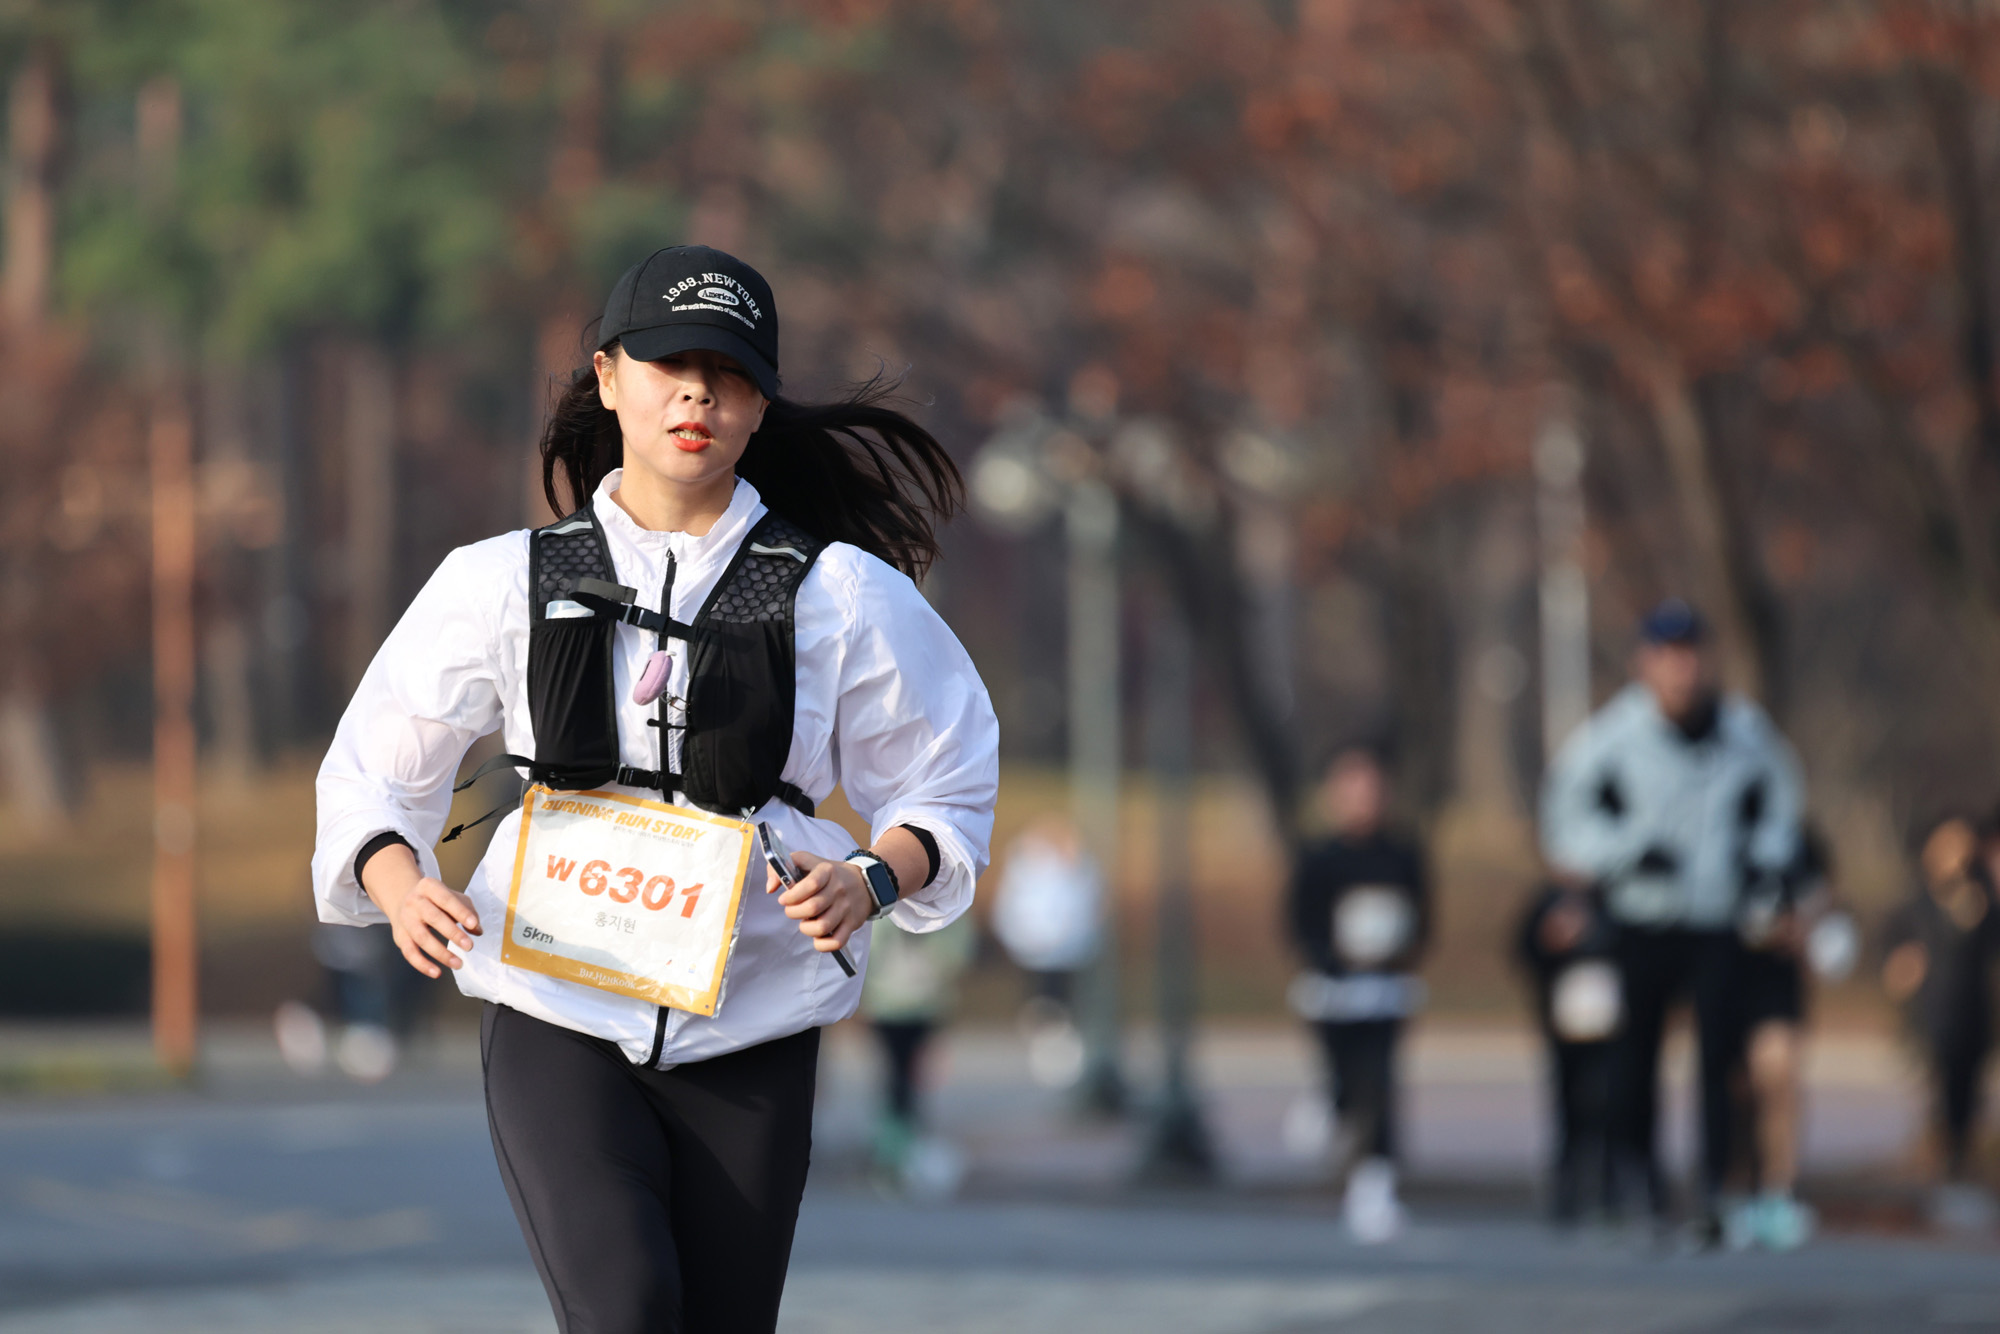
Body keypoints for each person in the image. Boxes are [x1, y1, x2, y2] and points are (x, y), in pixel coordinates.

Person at [311, 245, 999, 1334]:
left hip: (753, 1020)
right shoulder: (499, 580)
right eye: (667, 363)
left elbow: (948, 784)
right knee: (626, 1308)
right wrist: (397, 884)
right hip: (554, 1004)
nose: (696, 393)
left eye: (726, 373)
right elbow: (372, 769)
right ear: (606, 374)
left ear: (759, 401)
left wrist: (870, 876)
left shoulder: (842, 596)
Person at [1540, 599, 1802, 1238]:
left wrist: (1763, 862)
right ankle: (1641, 1178)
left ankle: (1717, 1181)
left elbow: (1783, 801)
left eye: (1690, 655)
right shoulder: (1611, 738)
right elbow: (1564, 824)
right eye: (1666, 657)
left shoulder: (1742, 731)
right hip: (1641, 918)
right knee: (1634, 1057)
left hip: (1714, 917)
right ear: (1643, 664)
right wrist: (1624, 853)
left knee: (1721, 1058)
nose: (1681, 671)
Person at [1285, 746, 1430, 1243]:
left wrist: (1396, 955)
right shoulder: (1321, 857)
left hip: (1386, 990)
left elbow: (1423, 918)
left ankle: (1375, 1185)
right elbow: (1300, 923)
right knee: (1346, 1083)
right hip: (1334, 990)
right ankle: (1330, 1109)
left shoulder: (1402, 853)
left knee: (1380, 1086)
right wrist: (1331, 960)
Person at [1883, 815, 2000, 1230]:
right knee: (1937, 1089)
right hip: (1931, 1013)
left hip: (1972, 1013)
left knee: (1966, 1095)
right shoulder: (1916, 904)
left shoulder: (1983, 898)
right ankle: (1939, 1175)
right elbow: (1894, 950)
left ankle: (1959, 1168)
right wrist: (1899, 968)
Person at [1725, 825, 1837, 1250]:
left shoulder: (1801, 842)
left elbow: (1825, 904)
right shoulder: (1715, 830)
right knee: (1735, 1088)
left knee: (1780, 1077)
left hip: (1777, 984)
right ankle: (1733, 1190)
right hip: (1723, 976)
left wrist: (1801, 929)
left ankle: (1778, 1192)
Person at [1515, 879, 1621, 1225]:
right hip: (1565, 1023)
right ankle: (1568, 1188)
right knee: (1568, 1107)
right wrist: (1550, 940)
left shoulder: (1616, 900)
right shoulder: (1549, 900)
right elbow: (1525, 950)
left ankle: (1609, 1188)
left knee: (1611, 1104)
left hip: (1612, 1025)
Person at [859, 914, 975, 1192]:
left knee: (909, 1081)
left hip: (922, 1006)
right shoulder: (888, 909)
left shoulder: (939, 904)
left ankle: (902, 1150)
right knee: (898, 1080)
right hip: (889, 1007)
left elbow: (957, 951)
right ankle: (895, 1151)